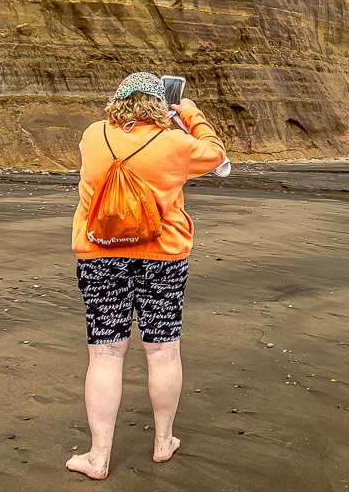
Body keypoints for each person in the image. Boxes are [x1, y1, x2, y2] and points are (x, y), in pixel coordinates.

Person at [66, 73, 226, 479]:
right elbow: (217, 154)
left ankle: (98, 457)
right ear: (160, 105)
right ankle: (163, 441)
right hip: (163, 258)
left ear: (116, 101)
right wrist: (186, 111)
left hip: (100, 257)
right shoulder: (174, 144)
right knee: (163, 350)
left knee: (105, 353)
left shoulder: (92, 135)